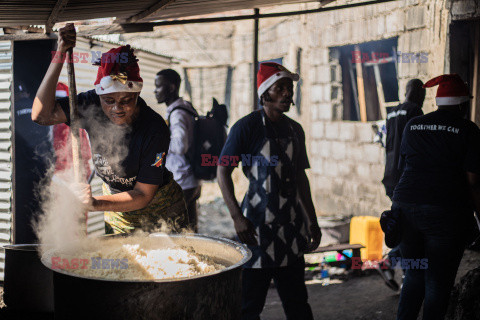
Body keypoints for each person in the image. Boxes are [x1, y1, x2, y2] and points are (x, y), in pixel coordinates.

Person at [32, 23, 189, 234]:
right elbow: (41, 116)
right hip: (117, 208)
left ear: (137, 96)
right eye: (108, 100)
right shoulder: (89, 104)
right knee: (120, 264)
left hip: (161, 210)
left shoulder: (154, 128)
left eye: (127, 100)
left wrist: (95, 203)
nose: (117, 108)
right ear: (99, 97)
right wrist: (60, 53)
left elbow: (143, 194)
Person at [217, 62, 321, 320]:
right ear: (265, 93)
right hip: (256, 229)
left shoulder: (295, 130)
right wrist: (237, 218)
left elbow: (300, 178)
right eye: (281, 88)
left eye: (290, 88)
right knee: (249, 306)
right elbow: (222, 172)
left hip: (291, 227)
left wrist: (313, 221)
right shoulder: (246, 127)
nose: (288, 93)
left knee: (297, 303)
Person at [393, 74, 480, 320]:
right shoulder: (468, 130)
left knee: (415, 275)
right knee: (437, 283)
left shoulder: (414, 124)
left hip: (405, 207)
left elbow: (406, 164)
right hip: (443, 212)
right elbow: (473, 182)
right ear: (463, 105)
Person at [380, 79, 426, 291]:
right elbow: (419, 147)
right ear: (417, 93)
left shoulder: (391, 112)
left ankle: (393, 264)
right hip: (406, 177)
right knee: (411, 228)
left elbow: (387, 142)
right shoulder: (416, 111)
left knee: (404, 225)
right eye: (422, 92)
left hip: (390, 175)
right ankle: (401, 269)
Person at [155, 69, 201, 232]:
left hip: (182, 180)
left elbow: (181, 145)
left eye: (159, 86)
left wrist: (159, 142)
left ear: (172, 87)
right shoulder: (185, 108)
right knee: (190, 228)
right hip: (190, 179)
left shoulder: (177, 114)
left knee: (172, 230)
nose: (155, 91)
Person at [53, 82, 92, 180]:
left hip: (69, 174)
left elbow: (85, 151)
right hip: (59, 174)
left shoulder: (72, 121)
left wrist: (85, 170)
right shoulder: (52, 122)